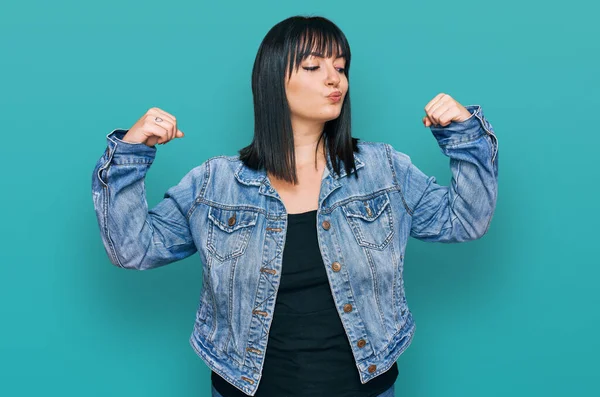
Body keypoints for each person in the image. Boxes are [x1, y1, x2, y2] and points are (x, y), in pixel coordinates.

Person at [91, 15, 498, 397]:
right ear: (273, 78)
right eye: (313, 67)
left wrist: (464, 136)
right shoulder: (214, 183)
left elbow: (465, 221)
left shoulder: (383, 169)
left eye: (340, 67)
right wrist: (130, 153)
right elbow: (133, 249)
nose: (333, 79)